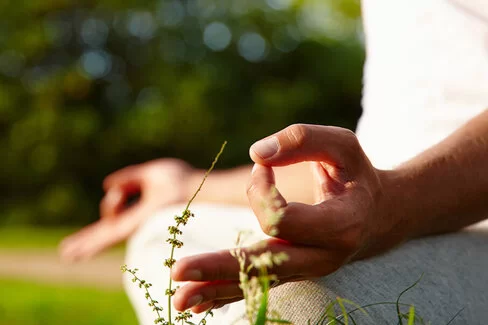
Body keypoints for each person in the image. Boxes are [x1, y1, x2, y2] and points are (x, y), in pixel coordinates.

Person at [60, 0, 488, 324]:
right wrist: (189, 186)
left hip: (472, 224)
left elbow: (388, 192)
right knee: (164, 235)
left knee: (305, 306)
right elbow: (376, 164)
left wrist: (392, 206)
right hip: (389, 206)